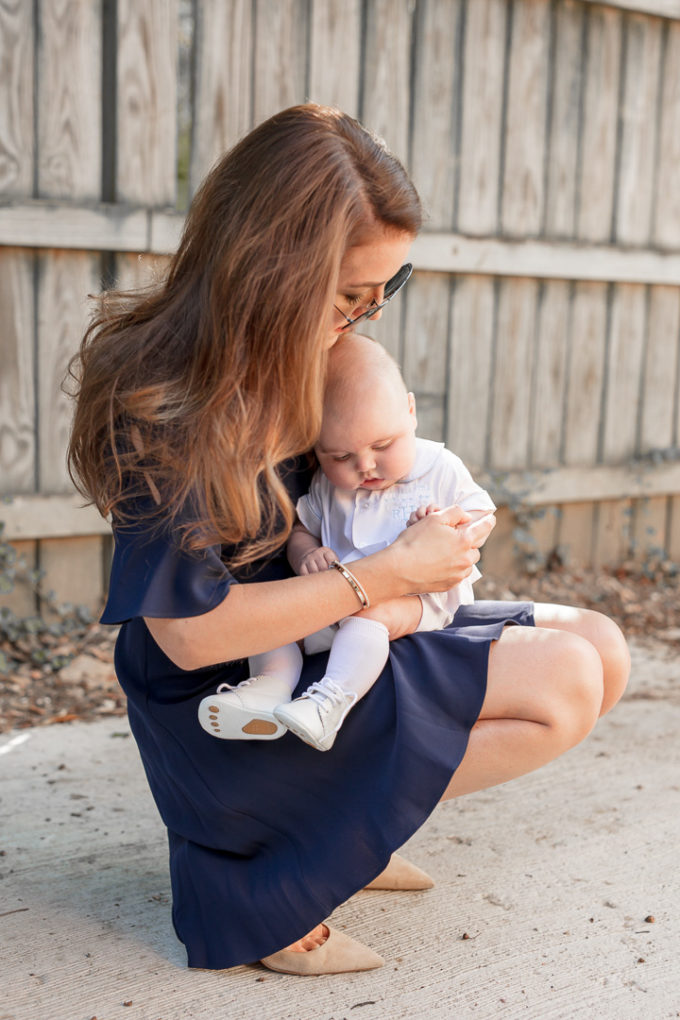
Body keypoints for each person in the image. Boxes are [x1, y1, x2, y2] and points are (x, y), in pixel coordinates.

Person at [67, 103, 630, 977]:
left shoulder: (298, 355)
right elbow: (189, 635)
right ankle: (263, 866)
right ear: (274, 271)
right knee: (562, 680)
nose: (368, 315)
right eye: (351, 296)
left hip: (329, 633)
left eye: (385, 292)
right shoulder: (170, 400)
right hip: (237, 691)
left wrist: (435, 521)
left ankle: (340, 827)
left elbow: (368, 477)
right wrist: (386, 573)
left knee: (604, 646)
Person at [198, 333, 496, 751]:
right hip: (337, 597)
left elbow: (483, 515)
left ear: (410, 411)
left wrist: (446, 525)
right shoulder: (326, 487)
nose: (366, 465)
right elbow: (302, 529)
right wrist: (306, 552)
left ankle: (327, 703)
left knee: (369, 617)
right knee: (280, 618)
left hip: (415, 601)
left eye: (383, 445)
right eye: (340, 457)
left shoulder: (438, 467)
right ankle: (268, 690)